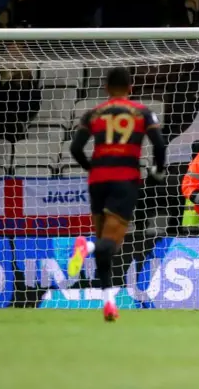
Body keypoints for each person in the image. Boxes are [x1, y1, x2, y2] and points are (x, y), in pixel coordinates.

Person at [68, 67, 167, 321]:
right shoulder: (143, 113)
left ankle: (109, 303)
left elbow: (76, 148)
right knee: (111, 243)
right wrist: (156, 172)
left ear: (105, 87)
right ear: (131, 87)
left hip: (98, 179)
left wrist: (92, 168)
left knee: (104, 242)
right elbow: (159, 145)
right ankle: (85, 246)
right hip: (125, 179)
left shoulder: (93, 113)